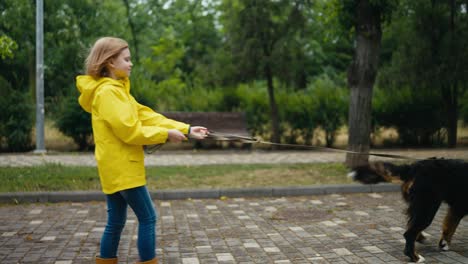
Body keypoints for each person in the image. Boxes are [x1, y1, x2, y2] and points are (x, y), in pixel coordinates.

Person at [76, 37, 208, 264]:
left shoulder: (118, 91)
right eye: (126, 59)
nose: (131, 64)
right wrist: (165, 135)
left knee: (116, 221)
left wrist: (185, 128)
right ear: (110, 63)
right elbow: (130, 131)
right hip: (124, 169)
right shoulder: (109, 93)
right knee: (148, 218)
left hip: (115, 169)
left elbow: (146, 115)